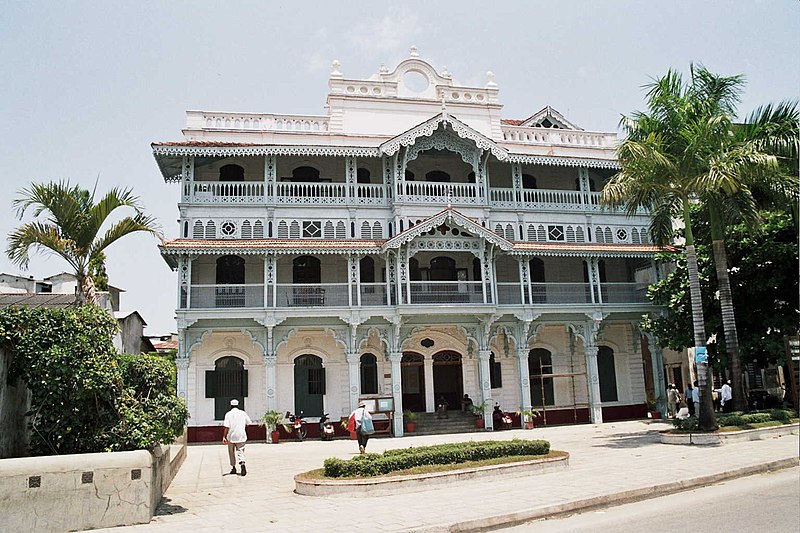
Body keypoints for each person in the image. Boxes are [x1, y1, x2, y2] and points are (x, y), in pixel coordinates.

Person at [222, 399, 252, 476]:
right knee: (241, 450)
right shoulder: (243, 413)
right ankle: (242, 463)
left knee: (231, 452)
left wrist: (224, 436)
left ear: (230, 406)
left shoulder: (228, 414)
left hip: (231, 436)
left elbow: (226, 426)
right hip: (241, 435)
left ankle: (233, 467)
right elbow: (249, 422)